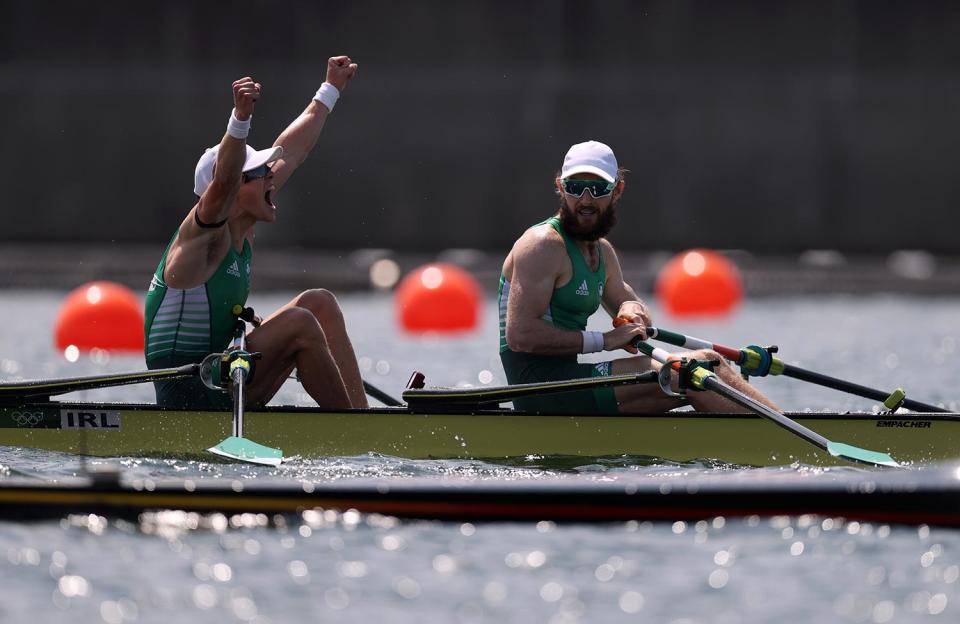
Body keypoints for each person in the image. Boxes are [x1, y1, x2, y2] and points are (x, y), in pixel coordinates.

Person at [144, 57, 367, 410]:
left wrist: (329, 91)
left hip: (224, 377)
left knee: (318, 303)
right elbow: (225, 181)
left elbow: (292, 152)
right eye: (257, 173)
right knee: (299, 322)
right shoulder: (203, 239)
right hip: (190, 391)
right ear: (228, 190)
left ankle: (362, 418)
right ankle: (355, 435)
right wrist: (240, 120)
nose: (270, 177)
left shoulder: (242, 224)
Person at [498, 140, 777, 414]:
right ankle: (788, 445)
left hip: (570, 382)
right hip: (539, 389)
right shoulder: (542, 245)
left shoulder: (601, 252)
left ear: (617, 190)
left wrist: (633, 313)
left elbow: (630, 303)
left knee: (707, 370)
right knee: (700, 364)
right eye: (575, 188)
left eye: (597, 189)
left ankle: (770, 440)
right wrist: (606, 340)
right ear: (560, 187)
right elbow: (520, 336)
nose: (585, 200)